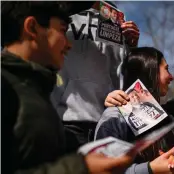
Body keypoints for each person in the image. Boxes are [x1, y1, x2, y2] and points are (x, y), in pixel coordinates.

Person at [1, 2, 138, 174]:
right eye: (62, 31)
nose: (68, 44)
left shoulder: (114, 17)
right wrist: (81, 168)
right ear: (32, 27)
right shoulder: (9, 88)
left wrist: (129, 46)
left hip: (104, 121)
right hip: (65, 118)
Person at [50, 1, 140, 145]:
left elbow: (121, 71)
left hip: (108, 123)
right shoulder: (57, 13)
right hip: (62, 119)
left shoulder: (117, 20)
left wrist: (132, 48)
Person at [95, 47, 174, 174]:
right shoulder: (114, 116)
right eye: (166, 69)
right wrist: (150, 169)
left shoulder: (166, 117)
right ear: (150, 70)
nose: (171, 77)